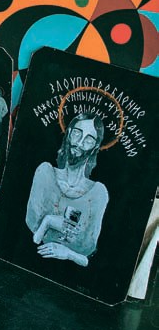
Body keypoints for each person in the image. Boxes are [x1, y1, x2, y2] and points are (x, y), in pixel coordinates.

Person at [26, 113, 108, 267]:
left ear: (95, 147)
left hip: (70, 274)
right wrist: (48, 221)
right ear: (69, 133)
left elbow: (88, 253)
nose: (80, 143)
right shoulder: (45, 173)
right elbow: (32, 236)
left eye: (89, 139)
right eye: (77, 133)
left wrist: (68, 254)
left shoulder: (98, 193)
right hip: (31, 262)